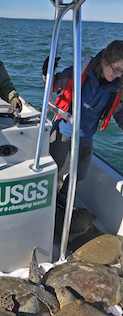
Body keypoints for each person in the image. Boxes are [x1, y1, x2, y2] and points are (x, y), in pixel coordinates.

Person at [42, 40, 123, 207]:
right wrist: (47, 72)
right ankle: (47, 199)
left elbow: (119, 112)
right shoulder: (80, 71)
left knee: (80, 173)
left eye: (122, 71)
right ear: (104, 62)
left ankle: (63, 199)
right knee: (53, 167)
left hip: (86, 134)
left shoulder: (118, 86)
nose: (118, 75)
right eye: (116, 70)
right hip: (64, 127)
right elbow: (53, 85)